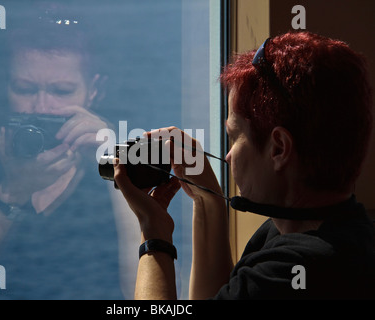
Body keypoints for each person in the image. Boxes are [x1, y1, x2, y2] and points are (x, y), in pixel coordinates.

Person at [113, 31, 375, 299]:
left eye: (233, 137)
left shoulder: (290, 269)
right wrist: (207, 201)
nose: (227, 156)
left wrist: (154, 235)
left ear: (279, 148)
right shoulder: (313, 229)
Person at [0, 4, 138, 299]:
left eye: (61, 91)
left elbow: (146, 295)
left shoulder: (118, 156)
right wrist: (14, 189)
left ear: (95, 90)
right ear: (5, 87)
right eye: (24, 89)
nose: (41, 107)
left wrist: (115, 164)